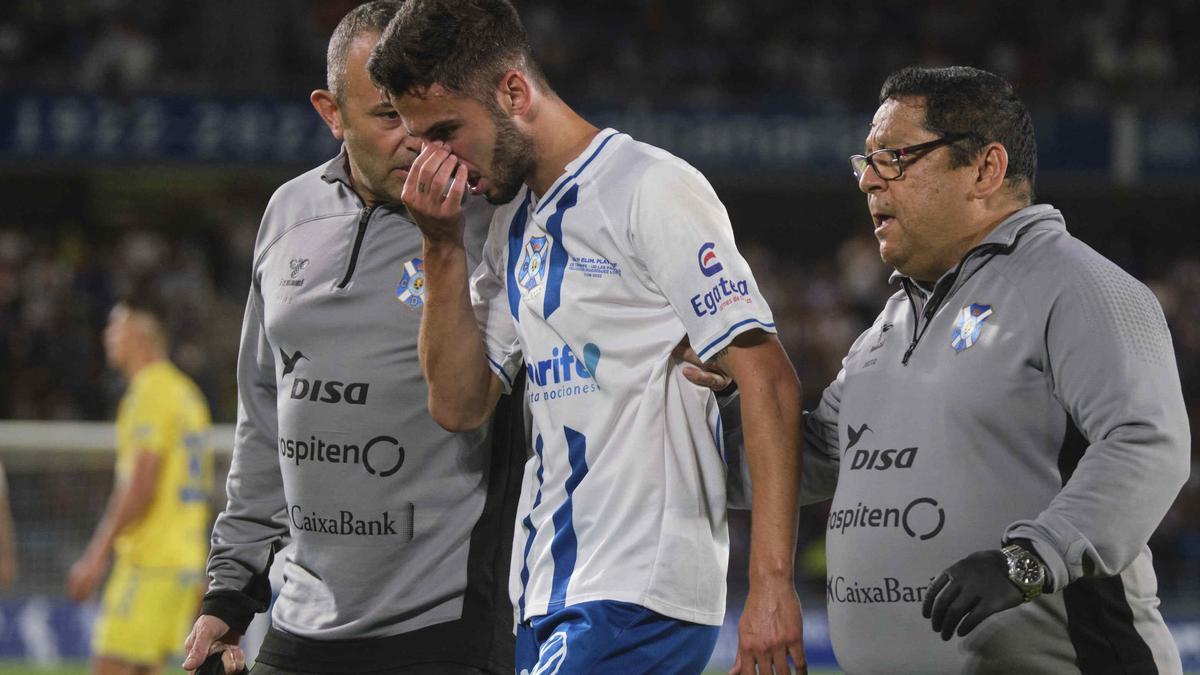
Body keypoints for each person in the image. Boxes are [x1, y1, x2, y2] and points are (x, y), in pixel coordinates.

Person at [367, 2, 807, 673]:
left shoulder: (649, 188)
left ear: (513, 91)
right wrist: (441, 246)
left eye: (447, 130)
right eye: (423, 139)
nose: (438, 159)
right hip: (547, 591)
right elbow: (458, 404)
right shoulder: (512, 220)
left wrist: (772, 582)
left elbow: (768, 378)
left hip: (636, 590)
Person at [801, 65, 1190, 673]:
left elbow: (1148, 443)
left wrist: (1029, 561)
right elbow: (810, 461)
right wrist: (704, 404)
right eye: (866, 162)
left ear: (985, 169)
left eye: (895, 157)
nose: (870, 181)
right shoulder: (887, 327)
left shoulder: (1076, 284)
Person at [179, 3, 525, 674]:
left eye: (426, 113)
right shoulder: (288, 213)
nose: (417, 138)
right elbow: (265, 417)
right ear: (331, 112)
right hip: (300, 621)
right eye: (389, 115)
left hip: (445, 628)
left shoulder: (494, 221)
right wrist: (231, 589)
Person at [67, 286, 215, 675]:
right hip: (184, 560)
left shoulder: (147, 392)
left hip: (149, 561)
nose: (107, 336)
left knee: (109, 666)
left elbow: (141, 485)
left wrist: (96, 555)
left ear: (138, 334)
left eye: (115, 326)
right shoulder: (188, 394)